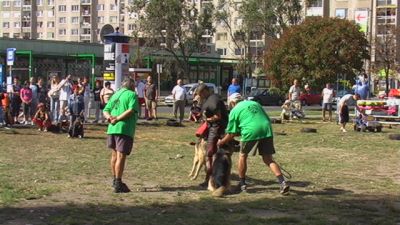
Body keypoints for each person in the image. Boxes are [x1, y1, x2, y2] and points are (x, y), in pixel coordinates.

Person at [217, 93, 290, 195]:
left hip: (251, 131)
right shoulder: (255, 103)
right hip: (266, 128)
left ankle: (242, 184)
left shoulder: (234, 110)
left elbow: (231, 133)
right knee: (268, 159)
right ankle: (282, 182)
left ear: (232, 102)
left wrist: (221, 142)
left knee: (242, 156)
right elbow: (260, 118)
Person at [103, 77, 139, 193]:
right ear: (131, 86)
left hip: (112, 129)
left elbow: (105, 110)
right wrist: (117, 119)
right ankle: (118, 182)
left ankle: (115, 179)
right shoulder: (132, 95)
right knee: (120, 156)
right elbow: (131, 110)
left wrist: (110, 118)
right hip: (124, 128)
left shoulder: (115, 95)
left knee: (114, 156)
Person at [196, 83, 228, 187]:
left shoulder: (213, 100)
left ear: (205, 91)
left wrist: (207, 119)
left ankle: (210, 180)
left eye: (200, 94)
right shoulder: (209, 99)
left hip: (216, 129)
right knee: (211, 155)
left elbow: (218, 116)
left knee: (210, 155)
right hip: (212, 128)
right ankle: (210, 179)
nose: (199, 97)